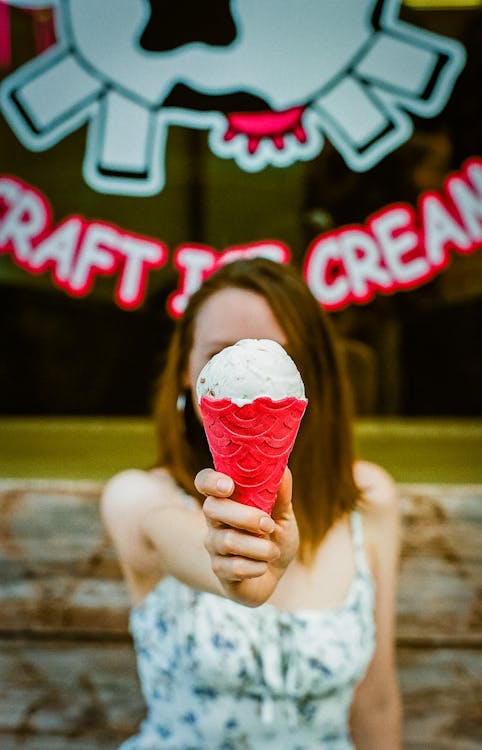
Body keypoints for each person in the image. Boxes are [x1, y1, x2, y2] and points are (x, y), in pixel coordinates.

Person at [101, 258, 402, 750]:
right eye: (220, 356)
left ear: (314, 376)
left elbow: (377, 699)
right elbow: (180, 539)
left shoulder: (369, 498)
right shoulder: (137, 497)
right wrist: (233, 562)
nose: (250, 384)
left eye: (277, 359)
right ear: (185, 375)